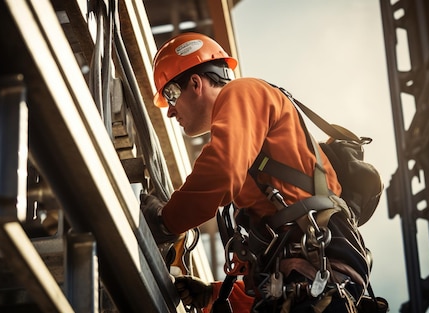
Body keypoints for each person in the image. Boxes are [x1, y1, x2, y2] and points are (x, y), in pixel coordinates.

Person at [140, 32, 368, 312]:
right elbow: (274, 276)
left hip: (318, 272)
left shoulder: (242, 91)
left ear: (196, 83)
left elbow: (221, 170)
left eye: (170, 96)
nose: (170, 112)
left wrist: (166, 222)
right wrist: (217, 295)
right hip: (310, 276)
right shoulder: (256, 171)